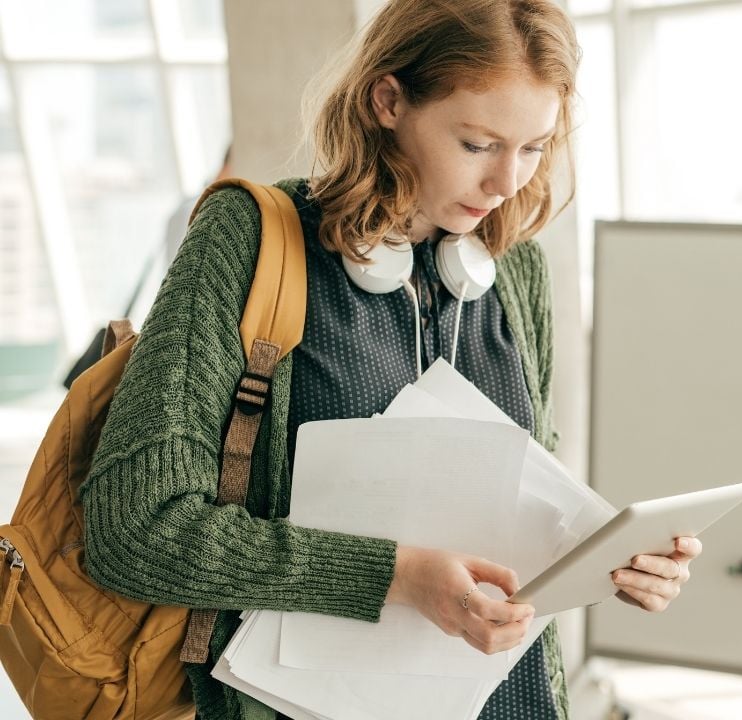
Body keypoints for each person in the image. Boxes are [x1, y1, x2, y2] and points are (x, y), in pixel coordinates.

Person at [78, 1, 702, 719]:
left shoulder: (514, 270)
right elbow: (135, 531)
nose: (508, 181)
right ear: (388, 101)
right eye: (477, 144)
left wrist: (604, 560)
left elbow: (525, 514)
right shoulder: (249, 241)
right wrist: (395, 577)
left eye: (533, 147)